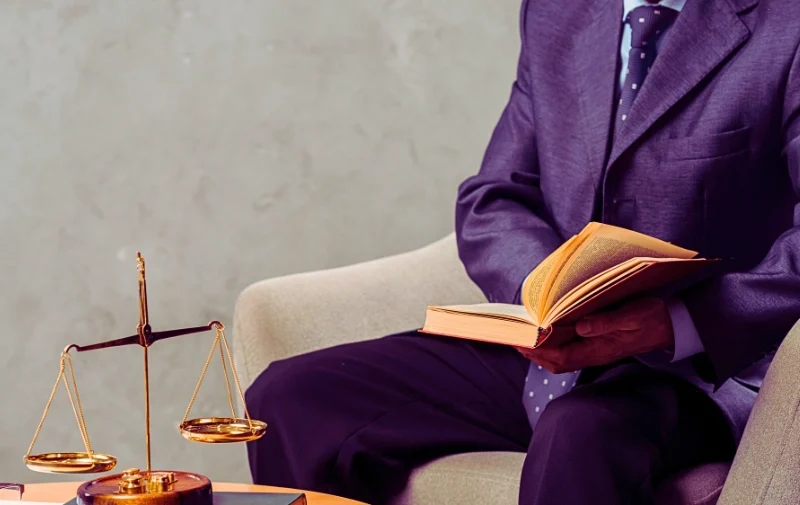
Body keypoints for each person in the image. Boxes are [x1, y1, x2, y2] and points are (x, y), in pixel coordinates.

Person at [244, 0, 800, 503]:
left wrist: (676, 322)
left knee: (578, 432)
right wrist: (546, 294)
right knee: (290, 397)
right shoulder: (557, 11)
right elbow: (494, 195)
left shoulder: (787, 23)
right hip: (554, 349)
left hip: (705, 369)